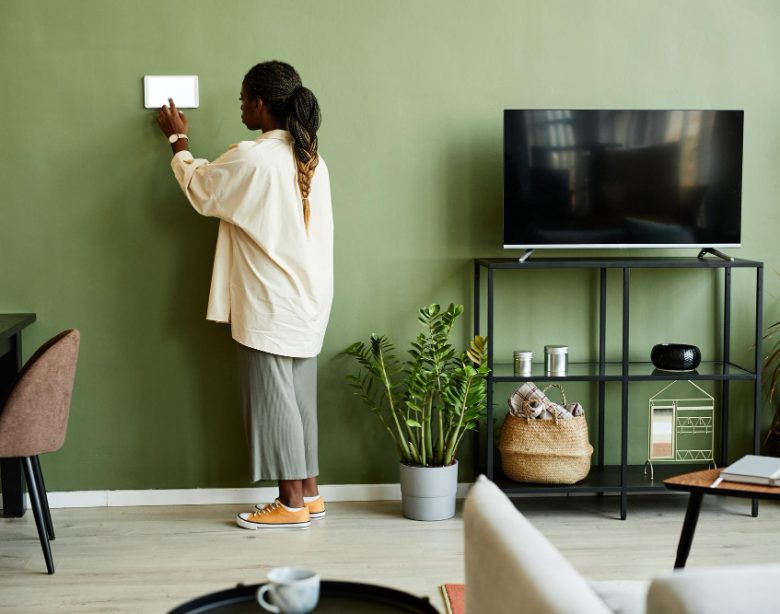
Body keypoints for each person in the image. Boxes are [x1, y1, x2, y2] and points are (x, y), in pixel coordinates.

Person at [155, 61, 333, 530]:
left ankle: (289, 504)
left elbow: (200, 187)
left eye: (242, 99)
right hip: (306, 300)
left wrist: (178, 142)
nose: (239, 106)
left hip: (270, 302)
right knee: (298, 401)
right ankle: (310, 494)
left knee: (274, 404)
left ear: (260, 103)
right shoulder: (310, 157)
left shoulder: (255, 158)